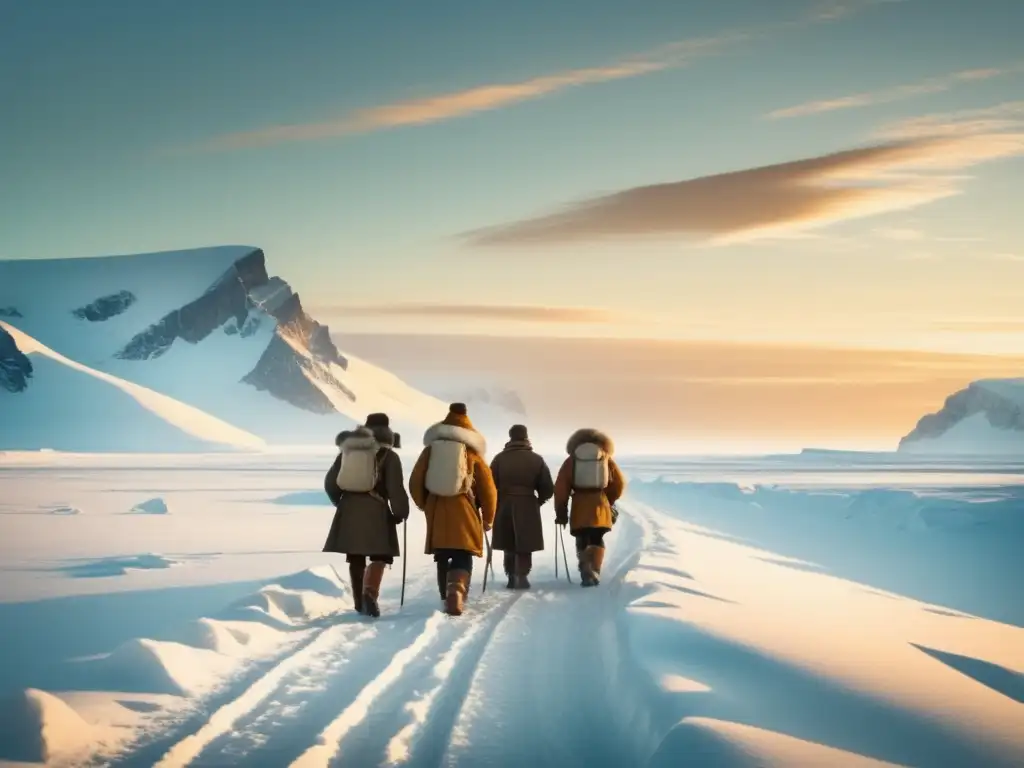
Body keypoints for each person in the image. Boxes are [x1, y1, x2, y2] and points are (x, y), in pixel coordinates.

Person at [410, 403, 497, 616]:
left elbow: (414, 482)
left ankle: (444, 595)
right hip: (465, 509)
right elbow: (489, 490)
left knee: (442, 554)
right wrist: (488, 518)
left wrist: (425, 504)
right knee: (462, 553)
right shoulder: (473, 454)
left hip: (437, 508)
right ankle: (457, 590)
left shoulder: (430, 451)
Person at [323, 413, 409, 617]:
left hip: (349, 509)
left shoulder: (347, 453)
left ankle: (359, 603)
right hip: (377, 510)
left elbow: (330, 483)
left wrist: (342, 504)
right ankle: (369, 592)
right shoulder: (389, 456)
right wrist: (400, 512)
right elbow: (395, 488)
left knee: (355, 557)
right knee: (381, 555)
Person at [553, 428, 626, 587]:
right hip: (600, 503)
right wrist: (609, 500)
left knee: (582, 537)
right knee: (597, 537)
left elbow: (561, 488)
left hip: (579, 503)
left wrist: (561, 512)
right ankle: (595, 570)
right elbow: (619, 484)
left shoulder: (571, 460)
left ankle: (585, 565)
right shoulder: (606, 459)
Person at [489, 424, 554, 589]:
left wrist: (492, 503)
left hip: (503, 504)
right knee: (525, 542)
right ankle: (522, 575)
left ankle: (511, 576)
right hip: (527, 504)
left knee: (508, 542)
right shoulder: (537, 459)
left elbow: (489, 485)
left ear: (510, 437)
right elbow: (547, 488)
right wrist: (537, 501)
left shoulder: (499, 459)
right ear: (526, 437)